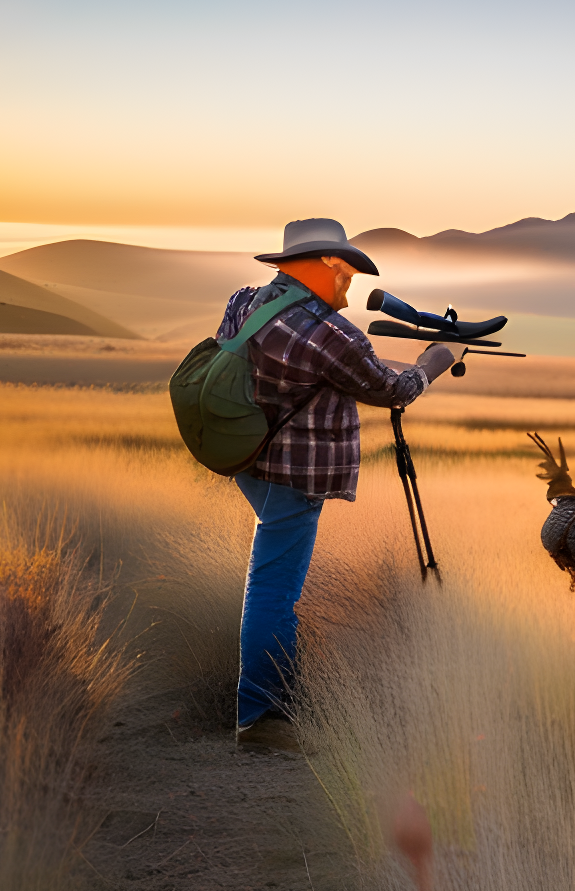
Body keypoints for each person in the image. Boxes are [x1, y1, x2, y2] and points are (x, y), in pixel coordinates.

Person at [216, 218, 456, 753]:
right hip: (292, 474)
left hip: (249, 460)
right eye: (344, 268)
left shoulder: (244, 302)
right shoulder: (329, 332)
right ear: (322, 264)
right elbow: (390, 389)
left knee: (269, 585)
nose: (349, 280)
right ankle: (263, 721)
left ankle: (263, 712)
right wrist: (433, 363)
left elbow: (308, 365)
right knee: (274, 594)